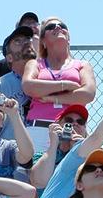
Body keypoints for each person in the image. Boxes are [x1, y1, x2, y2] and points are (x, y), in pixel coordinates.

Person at [22, 17, 97, 156]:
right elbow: (29, 86)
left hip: (72, 130)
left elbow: (88, 94)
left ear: (68, 38)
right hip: (39, 129)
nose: (58, 27)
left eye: (62, 26)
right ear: (43, 41)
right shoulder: (35, 64)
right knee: (33, 175)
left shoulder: (82, 65)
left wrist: (52, 98)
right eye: (51, 27)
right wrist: (65, 85)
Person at [0, 24, 37, 139]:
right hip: (12, 151)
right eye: (17, 41)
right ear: (9, 58)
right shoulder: (0, 86)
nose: (25, 43)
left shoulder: (48, 79)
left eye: (27, 39)